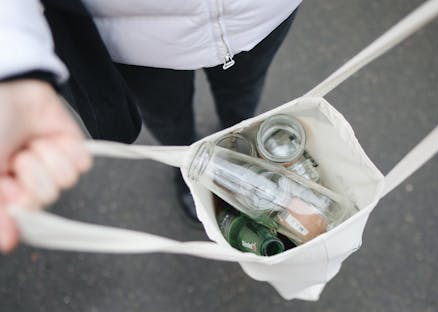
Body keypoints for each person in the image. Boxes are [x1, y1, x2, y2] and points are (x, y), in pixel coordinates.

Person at [0, 0, 300, 252]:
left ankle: (241, 148)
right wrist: (14, 61)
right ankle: (186, 163)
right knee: (168, 118)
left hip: (262, 15)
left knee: (243, 97)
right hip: (137, 35)